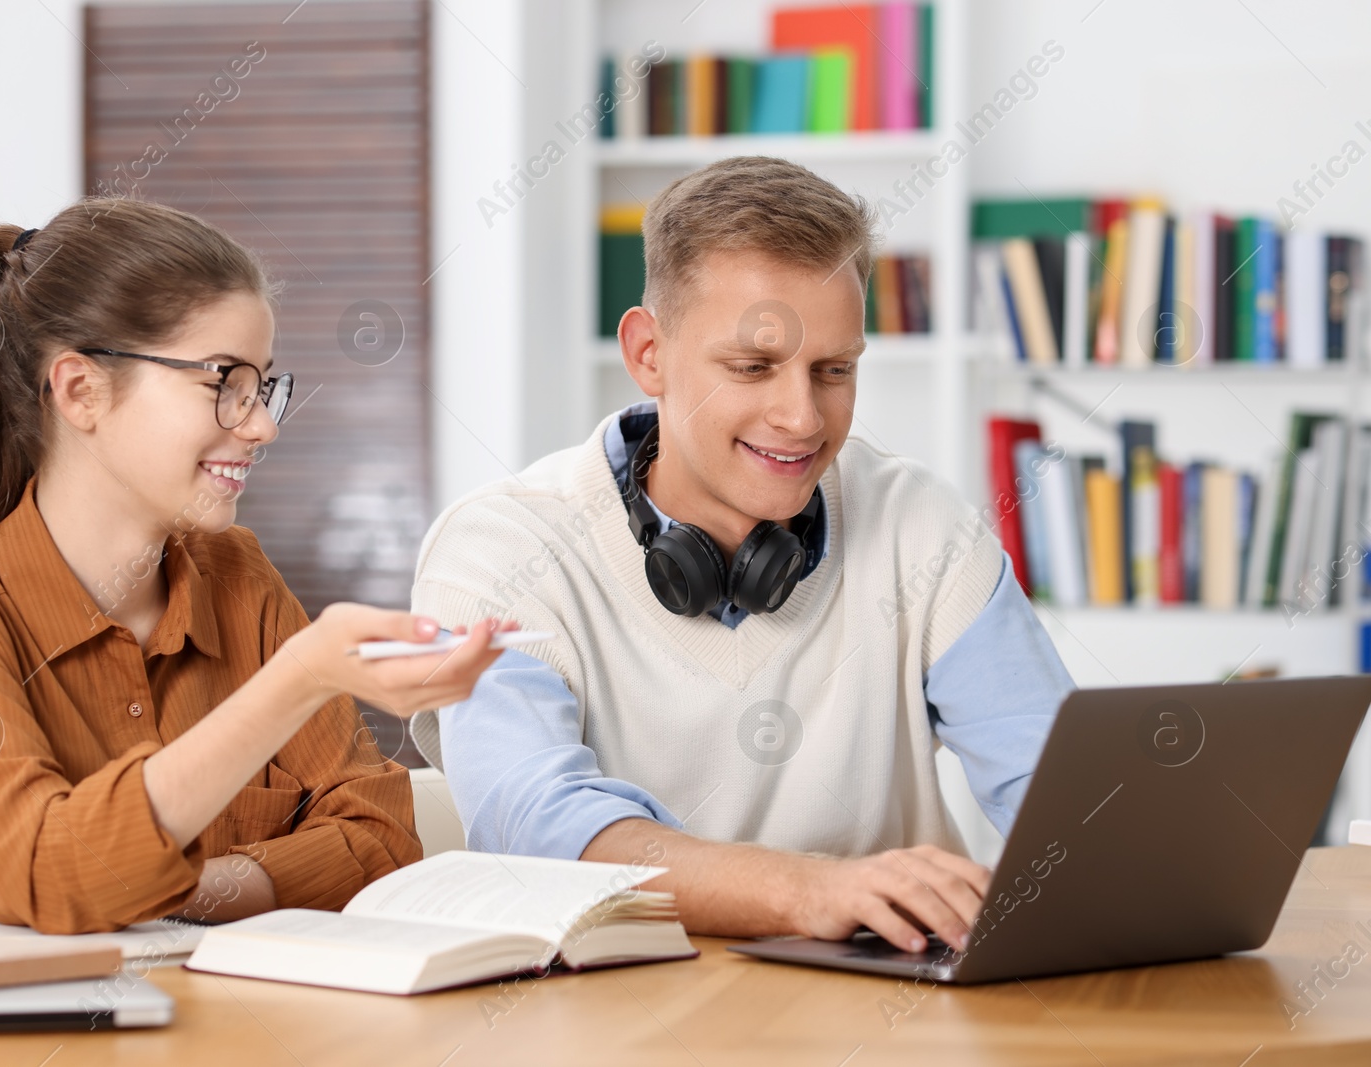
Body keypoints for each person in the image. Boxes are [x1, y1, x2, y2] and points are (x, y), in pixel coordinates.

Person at [409, 156, 1075, 954]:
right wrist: (811, 888)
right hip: (624, 1030)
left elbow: (1066, 800)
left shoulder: (921, 525)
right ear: (649, 352)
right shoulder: (500, 549)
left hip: (894, 1022)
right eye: (753, 367)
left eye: (833, 370)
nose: (801, 417)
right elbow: (538, 828)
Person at [0, 198, 507, 938]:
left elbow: (380, 841)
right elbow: (45, 870)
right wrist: (300, 678)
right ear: (80, 390)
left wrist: (175, 889)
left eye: (262, 386)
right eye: (223, 382)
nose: (260, 423)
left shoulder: (237, 574)